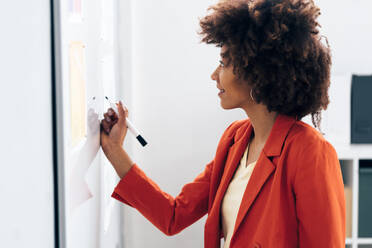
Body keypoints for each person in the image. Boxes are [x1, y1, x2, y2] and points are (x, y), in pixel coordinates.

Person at [100, 0, 345, 247]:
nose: (214, 75)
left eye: (224, 63)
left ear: (258, 71)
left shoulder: (310, 152)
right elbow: (173, 215)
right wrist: (114, 150)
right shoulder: (234, 139)